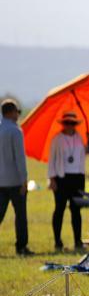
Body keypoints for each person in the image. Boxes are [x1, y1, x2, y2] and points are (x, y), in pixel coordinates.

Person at [48, 111, 86, 252]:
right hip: (61, 178)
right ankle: (58, 241)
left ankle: (78, 240)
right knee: (59, 209)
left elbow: (82, 156)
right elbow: (51, 160)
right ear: (63, 124)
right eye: (67, 123)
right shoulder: (57, 139)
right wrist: (52, 179)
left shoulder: (79, 138)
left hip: (77, 177)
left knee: (76, 211)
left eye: (72, 123)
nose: (70, 126)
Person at [0, 99, 32, 255]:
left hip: (0, 181)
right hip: (14, 181)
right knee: (20, 216)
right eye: (17, 112)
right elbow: (20, 158)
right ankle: (21, 246)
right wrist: (24, 180)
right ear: (11, 112)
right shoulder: (15, 131)